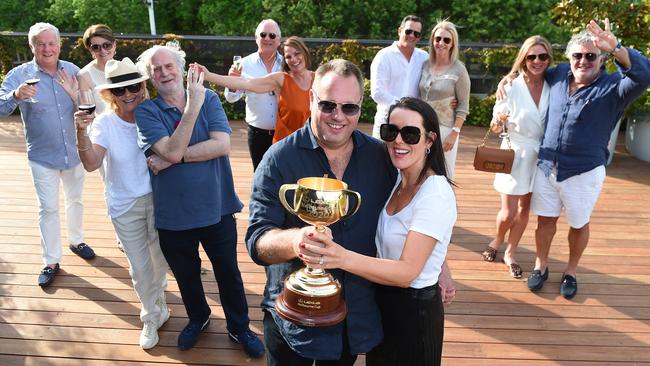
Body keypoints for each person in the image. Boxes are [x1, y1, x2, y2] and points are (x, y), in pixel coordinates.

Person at [245, 59, 456, 365]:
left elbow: (416, 213)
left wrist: (440, 263)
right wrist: (296, 240)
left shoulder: (380, 157)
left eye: (349, 108)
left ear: (360, 108)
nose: (338, 116)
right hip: (296, 317)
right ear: (311, 99)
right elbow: (257, 240)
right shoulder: (278, 160)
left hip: (355, 317)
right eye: (328, 105)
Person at [301, 97, 457, 366]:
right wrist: (441, 264)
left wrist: (341, 258)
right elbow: (423, 235)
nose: (399, 141)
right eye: (391, 131)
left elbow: (408, 272)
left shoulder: (435, 193)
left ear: (430, 140)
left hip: (413, 313)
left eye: (410, 134)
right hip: (383, 302)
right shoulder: (399, 177)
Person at [134, 42, 264, 357]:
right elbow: (171, 149)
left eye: (169, 66)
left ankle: (239, 326)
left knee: (228, 273)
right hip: (173, 215)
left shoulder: (212, 100)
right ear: (151, 77)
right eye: (157, 69)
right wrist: (192, 108)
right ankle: (199, 318)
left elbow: (220, 146)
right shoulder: (146, 111)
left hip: (216, 207)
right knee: (187, 276)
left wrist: (172, 157)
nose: (164, 73)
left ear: (181, 68)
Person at [522, 19, 650, 299]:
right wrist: (509, 79)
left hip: (583, 171)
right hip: (546, 166)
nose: (583, 61)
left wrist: (616, 47)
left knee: (578, 224)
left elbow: (645, 74)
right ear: (569, 58)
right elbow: (530, 69)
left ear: (602, 60)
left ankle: (571, 271)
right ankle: (541, 265)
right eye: (577, 55)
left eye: (591, 55)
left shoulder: (616, 87)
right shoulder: (557, 76)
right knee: (544, 221)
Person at [73, 57, 169, 349]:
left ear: (142, 86)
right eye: (119, 90)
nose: (128, 94)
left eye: (133, 86)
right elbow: (91, 164)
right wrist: (80, 132)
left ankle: (160, 302)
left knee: (160, 262)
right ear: (110, 94)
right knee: (140, 270)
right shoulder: (104, 124)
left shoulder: (154, 114)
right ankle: (150, 316)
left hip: (159, 201)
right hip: (125, 206)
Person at [0, 22, 95, 288]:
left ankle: (77, 241)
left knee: (75, 200)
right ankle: (51, 260)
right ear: (31, 46)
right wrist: (15, 95)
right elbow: (1, 108)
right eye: (40, 43)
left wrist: (74, 94)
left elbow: (91, 109)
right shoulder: (19, 75)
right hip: (42, 155)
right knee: (48, 208)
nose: (47, 48)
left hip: (75, 152)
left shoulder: (73, 71)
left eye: (51, 43)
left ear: (59, 45)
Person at [481, 36, 552, 279]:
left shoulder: (554, 86)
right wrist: (497, 122)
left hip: (541, 156)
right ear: (523, 59)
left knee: (525, 209)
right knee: (509, 213)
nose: (537, 61)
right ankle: (498, 239)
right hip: (515, 153)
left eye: (542, 56)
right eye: (531, 56)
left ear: (549, 58)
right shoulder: (511, 86)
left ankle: (511, 252)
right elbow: (495, 124)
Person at [200, 36, 314, 143]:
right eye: (288, 57)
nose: (293, 59)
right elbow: (245, 83)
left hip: (312, 144)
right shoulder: (281, 79)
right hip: (287, 145)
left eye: (297, 54)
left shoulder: (319, 79)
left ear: (304, 53)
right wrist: (208, 75)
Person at [224, 19, 283, 171]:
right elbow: (231, 98)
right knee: (260, 174)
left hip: (285, 132)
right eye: (263, 34)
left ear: (279, 41)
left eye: (272, 35)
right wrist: (233, 82)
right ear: (256, 38)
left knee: (284, 173)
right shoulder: (244, 64)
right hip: (257, 134)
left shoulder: (288, 64)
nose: (267, 39)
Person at [418, 20, 470, 180]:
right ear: (433, 40)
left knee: (444, 173)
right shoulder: (425, 64)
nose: (441, 43)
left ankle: (446, 205)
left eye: (446, 40)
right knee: (421, 170)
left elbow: (463, 105)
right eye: (438, 38)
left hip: (445, 129)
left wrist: (454, 133)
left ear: (453, 43)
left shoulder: (459, 69)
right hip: (422, 128)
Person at [371, 15, 429, 138]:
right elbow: (377, 93)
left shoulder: (424, 58)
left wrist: (448, 99)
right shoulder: (384, 56)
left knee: (409, 156)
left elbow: (434, 84)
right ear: (399, 30)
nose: (412, 35)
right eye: (408, 31)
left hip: (413, 123)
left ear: (419, 37)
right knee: (381, 156)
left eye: (416, 34)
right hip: (387, 120)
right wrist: (404, 107)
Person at [77, 24, 117, 116]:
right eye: (96, 47)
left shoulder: (126, 67)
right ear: (90, 50)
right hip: (104, 128)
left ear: (114, 45)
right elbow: (87, 114)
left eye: (107, 45)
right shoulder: (85, 75)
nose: (102, 50)